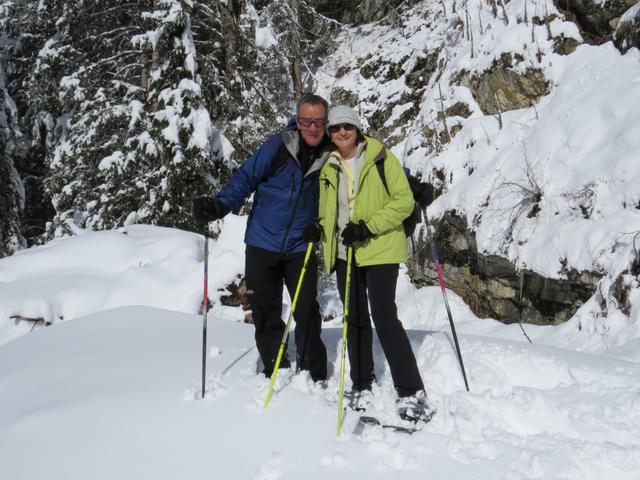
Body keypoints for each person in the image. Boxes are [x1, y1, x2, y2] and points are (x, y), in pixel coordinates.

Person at [193, 94, 329, 383]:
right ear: (297, 121)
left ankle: (313, 373)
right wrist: (220, 205)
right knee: (265, 310)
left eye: (318, 122)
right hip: (262, 243)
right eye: (306, 121)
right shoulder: (278, 146)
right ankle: (275, 367)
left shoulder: (332, 152)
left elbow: (361, 166)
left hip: (300, 246)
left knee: (306, 309)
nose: (312, 127)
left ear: (326, 123)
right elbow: (246, 177)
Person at [317, 104, 430, 421]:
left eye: (347, 127)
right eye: (336, 128)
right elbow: (327, 209)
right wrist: (318, 227)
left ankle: (411, 390)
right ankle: (361, 384)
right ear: (330, 133)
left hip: (380, 248)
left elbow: (403, 201)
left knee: (384, 315)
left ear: (357, 129)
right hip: (345, 252)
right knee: (354, 318)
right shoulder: (328, 165)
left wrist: (367, 227)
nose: (342, 132)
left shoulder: (380, 157)